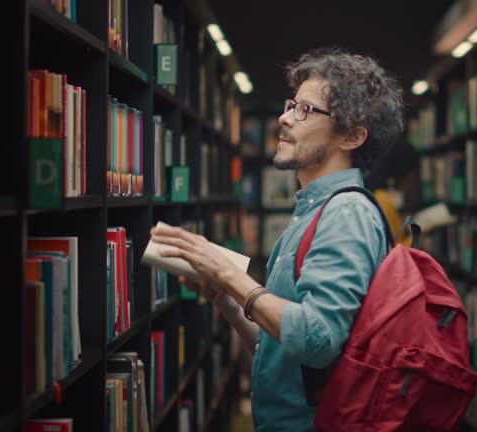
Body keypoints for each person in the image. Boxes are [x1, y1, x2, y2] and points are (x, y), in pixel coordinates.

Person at [150, 48, 405, 431]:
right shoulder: (313, 211)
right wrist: (227, 297)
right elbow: (284, 351)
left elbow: (316, 340)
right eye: (291, 105)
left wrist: (234, 276)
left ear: (352, 136)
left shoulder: (346, 214)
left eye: (305, 110)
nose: (284, 118)